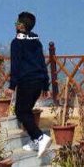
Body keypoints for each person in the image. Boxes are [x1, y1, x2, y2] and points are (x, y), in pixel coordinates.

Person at [9, 11, 52, 157]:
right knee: (26, 109)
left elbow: (15, 66)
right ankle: (35, 141)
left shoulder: (17, 42)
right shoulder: (36, 41)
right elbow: (42, 63)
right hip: (39, 81)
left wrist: (11, 86)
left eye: (17, 22)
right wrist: (46, 85)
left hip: (26, 81)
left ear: (21, 26)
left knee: (21, 111)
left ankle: (40, 138)